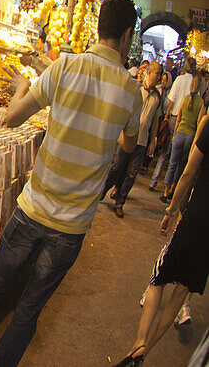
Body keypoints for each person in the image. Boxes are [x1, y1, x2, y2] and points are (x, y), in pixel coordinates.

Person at [0, 0, 142, 367]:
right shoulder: (131, 90)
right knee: (29, 309)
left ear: (98, 27)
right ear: (127, 35)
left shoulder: (65, 67)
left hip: (32, 209)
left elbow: (13, 118)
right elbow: (129, 143)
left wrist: (20, 86)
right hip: (73, 225)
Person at [117, 113, 209, 365]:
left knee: (159, 279)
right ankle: (146, 351)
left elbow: (188, 172)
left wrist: (170, 211)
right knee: (181, 292)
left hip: (196, 217)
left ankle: (139, 343)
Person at [102, 61, 162, 217]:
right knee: (116, 168)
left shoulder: (157, 96)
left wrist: (153, 139)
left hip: (142, 140)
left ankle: (120, 203)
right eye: (157, 72)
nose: (159, 76)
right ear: (148, 72)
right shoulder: (136, 89)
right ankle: (102, 192)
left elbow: (155, 119)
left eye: (160, 73)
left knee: (131, 174)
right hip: (127, 137)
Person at [151, 58, 198, 190]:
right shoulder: (193, 83)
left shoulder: (180, 80)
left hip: (174, 118)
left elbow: (171, 100)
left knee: (165, 153)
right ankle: (171, 188)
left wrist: (166, 117)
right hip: (186, 122)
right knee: (178, 159)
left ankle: (154, 181)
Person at [161, 68, 203, 203]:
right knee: (182, 165)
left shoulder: (184, 100)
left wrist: (174, 135)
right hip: (190, 137)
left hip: (179, 134)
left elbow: (178, 118)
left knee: (172, 163)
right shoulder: (201, 103)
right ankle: (174, 188)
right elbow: (199, 123)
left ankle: (165, 191)